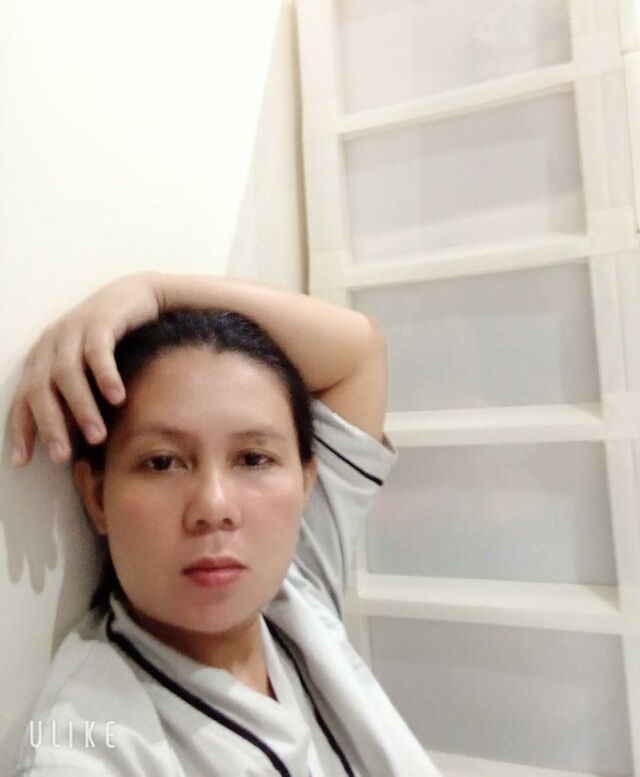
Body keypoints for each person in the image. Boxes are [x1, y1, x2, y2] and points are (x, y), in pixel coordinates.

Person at [9, 272, 441, 776]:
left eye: (254, 458)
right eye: (162, 462)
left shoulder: (295, 588)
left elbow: (359, 355)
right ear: (95, 495)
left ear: (307, 482)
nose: (214, 507)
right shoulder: (85, 746)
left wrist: (156, 291)